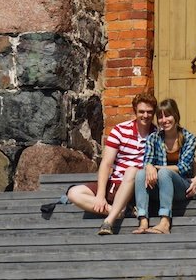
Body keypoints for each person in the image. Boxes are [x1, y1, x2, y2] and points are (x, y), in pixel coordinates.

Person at [67, 92, 158, 235]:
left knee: (133, 170)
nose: (145, 116)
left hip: (139, 187)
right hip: (115, 184)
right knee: (73, 193)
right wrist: (100, 196)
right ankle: (119, 211)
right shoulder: (120, 130)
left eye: (149, 112)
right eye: (141, 112)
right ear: (135, 111)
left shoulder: (157, 134)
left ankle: (109, 220)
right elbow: (106, 163)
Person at [132, 98, 196, 235]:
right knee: (140, 173)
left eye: (167, 115)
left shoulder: (189, 138)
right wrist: (149, 166)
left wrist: (155, 168)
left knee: (163, 173)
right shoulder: (153, 138)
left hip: (182, 187)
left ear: (176, 116)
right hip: (160, 188)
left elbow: (185, 167)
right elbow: (148, 161)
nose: (164, 120)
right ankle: (143, 221)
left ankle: (165, 222)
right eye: (160, 117)